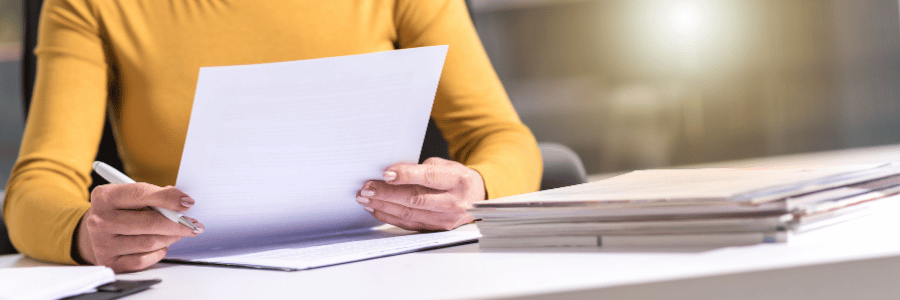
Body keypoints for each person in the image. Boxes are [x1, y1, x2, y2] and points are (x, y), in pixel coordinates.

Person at [3, 0, 541, 272]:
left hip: (384, 266)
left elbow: (500, 137)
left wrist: (478, 187)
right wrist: (84, 231)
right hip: (198, 279)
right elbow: (36, 187)